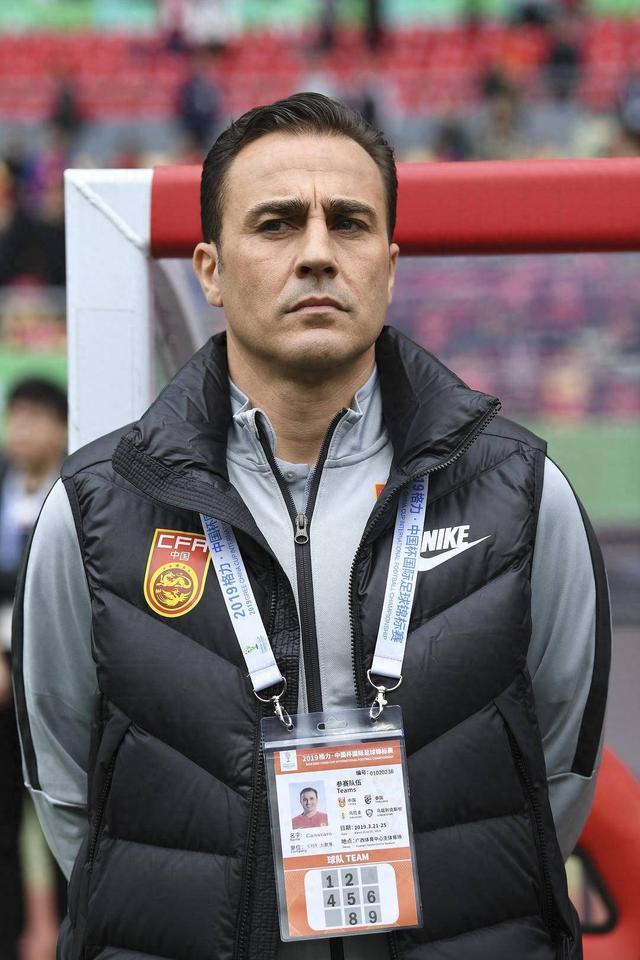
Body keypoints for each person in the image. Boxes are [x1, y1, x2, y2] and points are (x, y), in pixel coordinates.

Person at [13, 93, 609, 960]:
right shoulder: (97, 509)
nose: (319, 252)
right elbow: (71, 798)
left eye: (351, 224)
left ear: (389, 266)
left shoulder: (520, 492)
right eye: (278, 223)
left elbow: (557, 773)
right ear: (211, 271)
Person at [0, 378, 67, 960]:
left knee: (62, 805)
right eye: (14, 415)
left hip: (52, 678)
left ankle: (72, 932)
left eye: (35, 416)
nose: (21, 429)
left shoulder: (72, 493)